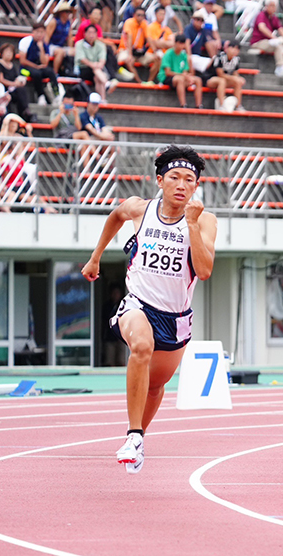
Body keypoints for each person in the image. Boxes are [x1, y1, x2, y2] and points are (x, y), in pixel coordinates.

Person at [81, 145, 218, 473]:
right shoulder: (140, 209)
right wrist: (96, 255)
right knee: (141, 346)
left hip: (175, 317)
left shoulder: (205, 221)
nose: (181, 185)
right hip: (139, 303)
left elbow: (204, 271)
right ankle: (132, 433)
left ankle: (139, 438)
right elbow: (116, 216)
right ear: (160, 180)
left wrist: (194, 226)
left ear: (196, 186)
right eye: (174, 177)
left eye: (189, 179)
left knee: (157, 385)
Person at [18, 22, 60, 105]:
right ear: (33, 32)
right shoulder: (26, 41)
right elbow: (22, 61)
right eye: (37, 32)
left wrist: (41, 48)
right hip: (25, 69)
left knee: (51, 72)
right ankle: (40, 96)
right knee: (36, 74)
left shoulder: (44, 45)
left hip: (39, 67)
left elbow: (45, 62)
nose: (39, 34)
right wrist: (36, 66)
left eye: (42, 32)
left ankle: (57, 94)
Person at [159, 35, 202, 109]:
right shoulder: (168, 54)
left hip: (180, 77)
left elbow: (185, 70)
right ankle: (183, 104)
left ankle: (198, 105)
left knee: (198, 80)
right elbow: (167, 72)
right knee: (180, 79)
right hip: (167, 78)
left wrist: (188, 76)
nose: (182, 46)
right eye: (180, 43)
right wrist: (183, 75)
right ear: (175, 43)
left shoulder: (184, 55)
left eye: (183, 43)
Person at [250, 0, 283, 73]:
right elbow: (262, 27)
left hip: (268, 42)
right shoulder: (261, 15)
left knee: (280, 45)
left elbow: (281, 29)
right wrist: (274, 38)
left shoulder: (274, 18)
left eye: (274, 6)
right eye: (271, 5)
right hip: (258, 42)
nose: (273, 8)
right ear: (266, 6)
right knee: (277, 45)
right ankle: (280, 67)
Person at [75, 24, 112, 100]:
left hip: (96, 71)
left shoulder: (101, 45)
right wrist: (94, 65)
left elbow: (102, 59)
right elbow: (82, 59)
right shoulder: (79, 44)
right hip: (83, 69)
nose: (91, 35)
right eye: (89, 33)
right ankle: (106, 83)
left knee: (97, 78)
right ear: (85, 34)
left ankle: (102, 99)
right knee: (96, 70)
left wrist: (99, 65)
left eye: (93, 33)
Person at [206, 41, 246, 112]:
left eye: (237, 49)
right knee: (222, 81)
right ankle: (221, 105)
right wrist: (234, 78)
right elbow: (220, 74)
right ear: (227, 48)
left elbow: (235, 73)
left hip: (224, 80)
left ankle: (238, 106)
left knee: (237, 82)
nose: (234, 51)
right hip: (210, 79)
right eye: (232, 48)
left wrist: (238, 79)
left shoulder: (236, 59)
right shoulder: (220, 57)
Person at [44, 1, 75, 76]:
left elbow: (70, 38)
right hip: (51, 45)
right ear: (61, 13)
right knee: (60, 52)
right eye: (66, 12)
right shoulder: (54, 22)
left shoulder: (68, 23)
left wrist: (70, 48)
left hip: (61, 46)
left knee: (75, 51)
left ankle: (71, 71)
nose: (68, 14)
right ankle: (55, 73)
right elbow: (47, 37)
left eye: (69, 12)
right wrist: (45, 51)